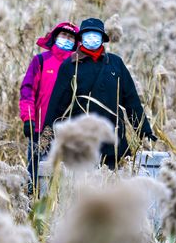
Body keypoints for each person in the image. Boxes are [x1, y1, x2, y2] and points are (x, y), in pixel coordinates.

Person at [43, 17, 155, 168]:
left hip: (114, 142)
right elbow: (57, 105)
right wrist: (47, 137)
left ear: (102, 38)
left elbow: (131, 100)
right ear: (81, 38)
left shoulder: (115, 63)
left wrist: (144, 132)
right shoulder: (69, 65)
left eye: (95, 34)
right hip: (80, 144)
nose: (91, 38)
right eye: (87, 34)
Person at [20, 22, 79, 188]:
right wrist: (28, 118)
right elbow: (27, 91)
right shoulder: (41, 61)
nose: (66, 39)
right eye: (63, 35)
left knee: (65, 178)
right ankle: (31, 200)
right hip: (41, 130)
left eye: (71, 37)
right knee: (34, 175)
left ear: (76, 43)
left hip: (67, 132)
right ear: (55, 36)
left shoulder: (78, 65)